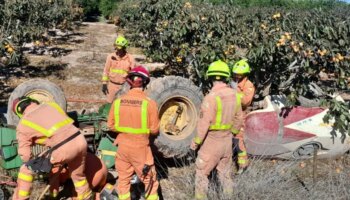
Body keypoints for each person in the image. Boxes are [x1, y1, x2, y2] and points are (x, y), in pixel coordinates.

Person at [11, 97, 91, 200]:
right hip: (81, 140)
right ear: (33, 101)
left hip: (64, 148)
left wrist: (33, 163)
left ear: (19, 112)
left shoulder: (24, 123)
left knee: (25, 170)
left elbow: (25, 156)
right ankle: (85, 196)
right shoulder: (52, 105)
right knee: (78, 175)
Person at [190, 60, 244, 199]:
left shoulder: (211, 98)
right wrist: (232, 133)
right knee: (225, 175)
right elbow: (239, 119)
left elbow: (204, 123)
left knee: (202, 174)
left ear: (210, 76)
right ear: (226, 76)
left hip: (211, 142)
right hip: (227, 141)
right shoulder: (235, 96)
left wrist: (196, 141)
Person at [107, 66, 160, 200]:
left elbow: (111, 126)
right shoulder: (149, 103)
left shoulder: (118, 102)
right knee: (150, 181)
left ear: (129, 82)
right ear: (145, 83)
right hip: (140, 149)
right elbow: (154, 130)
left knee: (123, 181)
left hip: (122, 148)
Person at [231, 59, 256, 174]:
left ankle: (243, 166)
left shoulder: (248, 85)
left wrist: (234, 92)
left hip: (241, 115)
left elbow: (245, 101)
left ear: (244, 75)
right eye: (235, 74)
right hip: (230, 113)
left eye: (239, 74)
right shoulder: (233, 82)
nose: (236, 76)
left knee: (238, 139)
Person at [102, 36, 136, 103]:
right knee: (109, 104)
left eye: (120, 49)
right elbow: (106, 71)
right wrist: (104, 84)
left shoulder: (130, 58)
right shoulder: (111, 57)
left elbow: (134, 73)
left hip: (124, 87)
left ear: (124, 48)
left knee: (122, 105)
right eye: (117, 48)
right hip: (112, 86)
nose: (118, 50)